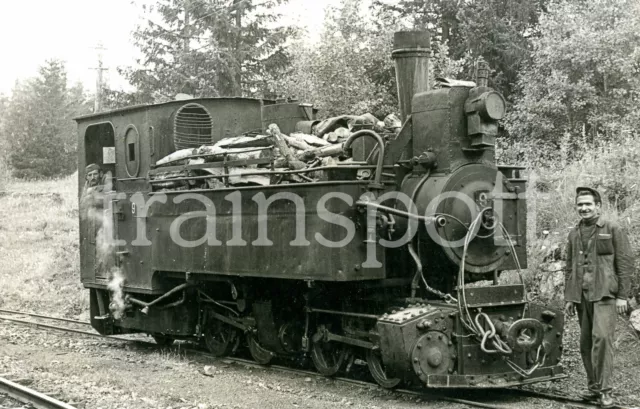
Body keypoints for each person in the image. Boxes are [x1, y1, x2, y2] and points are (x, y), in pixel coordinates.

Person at [564, 187, 633, 408]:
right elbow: (569, 267)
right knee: (585, 344)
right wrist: (569, 297)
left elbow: (624, 263)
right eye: (580, 205)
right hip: (582, 297)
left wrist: (623, 296)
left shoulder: (612, 228)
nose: (584, 208)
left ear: (598, 206)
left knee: (602, 340)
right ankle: (593, 388)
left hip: (605, 294)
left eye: (588, 204)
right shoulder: (574, 234)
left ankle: (605, 391)